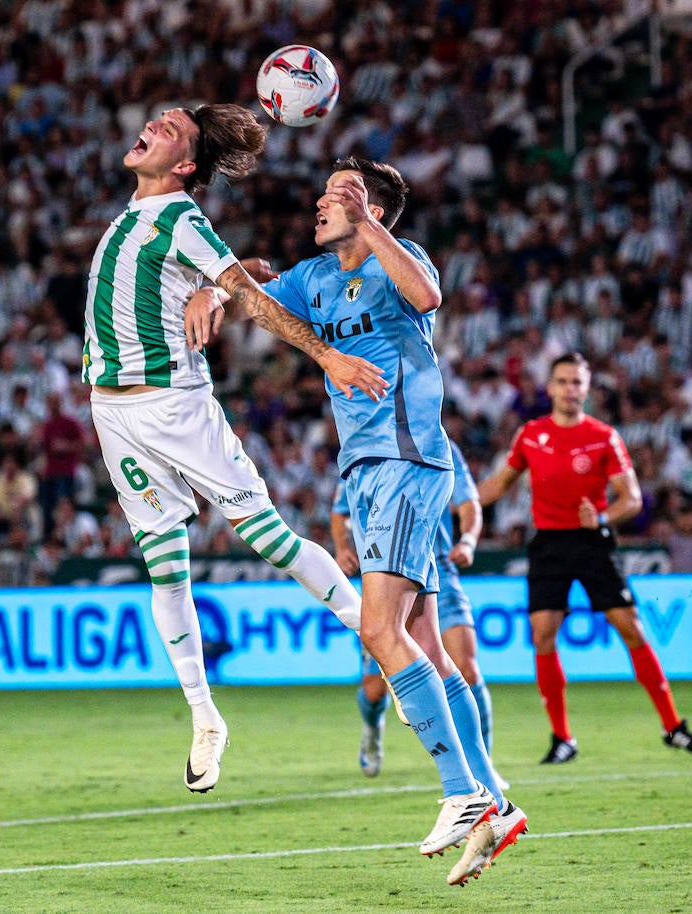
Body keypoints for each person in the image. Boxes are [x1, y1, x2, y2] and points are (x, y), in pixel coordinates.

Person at [195, 157, 525, 884]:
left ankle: (463, 794)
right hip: (364, 476)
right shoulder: (314, 281)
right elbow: (257, 304)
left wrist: (371, 222)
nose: (318, 206)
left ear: (371, 207)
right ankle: (494, 803)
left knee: (381, 632)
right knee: (428, 653)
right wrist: (220, 281)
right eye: (321, 194)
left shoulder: (400, 263)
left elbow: (428, 292)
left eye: (336, 196)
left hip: (408, 462)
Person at [83, 104, 384, 795]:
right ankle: (205, 719)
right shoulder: (132, 220)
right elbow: (224, 275)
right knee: (164, 568)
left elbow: (246, 290)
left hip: (175, 405)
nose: (152, 127)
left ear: (185, 164)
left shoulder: (182, 217)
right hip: (113, 413)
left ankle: (378, 643)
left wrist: (325, 359)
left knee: (271, 541)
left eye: (170, 129)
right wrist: (211, 287)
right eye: (154, 120)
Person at [476, 352, 692, 764]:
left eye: (577, 383)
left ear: (586, 390)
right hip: (549, 544)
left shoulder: (604, 436)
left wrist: (602, 516)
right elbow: (498, 484)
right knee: (543, 635)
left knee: (631, 628)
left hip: (592, 542)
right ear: (550, 388)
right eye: (563, 381)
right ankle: (562, 737)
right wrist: (457, 502)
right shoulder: (531, 434)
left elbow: (633, 499)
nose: (570, 389)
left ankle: (673, 726)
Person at [332, 440, 507, 794]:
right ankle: (372, 728)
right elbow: (341, 511)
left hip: (439, 569)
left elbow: (469, 503)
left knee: (466, 666)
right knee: (374, 688)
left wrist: (469, 541)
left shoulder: (439, 445)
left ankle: (482, 768)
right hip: (385, 575)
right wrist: (342, 547)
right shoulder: (363, 445)